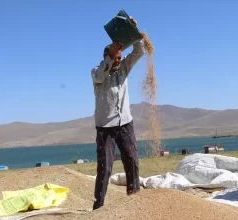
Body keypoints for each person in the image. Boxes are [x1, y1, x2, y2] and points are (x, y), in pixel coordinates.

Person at [91, 16, 145, 210]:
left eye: (120, 58)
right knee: (105, 168)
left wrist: (132, 30)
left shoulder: (123, 69)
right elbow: (99, 77)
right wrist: (109, 58)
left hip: (125, 124)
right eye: (115, 58)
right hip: (105, 127)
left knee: (131, 160)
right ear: (108, 56)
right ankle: (98, 208)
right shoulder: (97, 72)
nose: (118, 62)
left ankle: (134, 201)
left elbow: (139, 51)